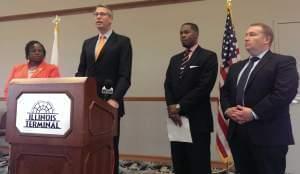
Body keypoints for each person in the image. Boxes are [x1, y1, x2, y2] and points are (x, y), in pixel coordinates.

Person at [220, 23, 299, 174]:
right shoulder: (237, 67)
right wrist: (227, 109)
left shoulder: (283, 62)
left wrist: (254, 113)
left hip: (269, 135)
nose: (246, 38)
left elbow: (284, 93)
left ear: (267, 39)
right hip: (238, 134)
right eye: (246, 35)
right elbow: (225, 93)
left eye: (252, 34)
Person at [75, 4, 132, 174]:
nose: (98, 17)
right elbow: (81, 72)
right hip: (89, 104)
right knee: (89, 144)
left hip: (110, 103)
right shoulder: (88, 43)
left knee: (109, 145)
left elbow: (125, 76)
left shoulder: (122, 42)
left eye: (103, 14)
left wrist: (115, 99)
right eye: (96, 14)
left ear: (111, 18)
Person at [164, 23, 218, 174]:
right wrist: (171, 107)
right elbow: (168, 84)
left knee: (198, 162)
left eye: (186, 32)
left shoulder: (208, 56)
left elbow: (204, 87)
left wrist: (180, 106)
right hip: (175, 118)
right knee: (179, 161)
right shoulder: (175, 59)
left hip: (197, 118)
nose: (183, 35)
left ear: (196, 34)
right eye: (181, 32)